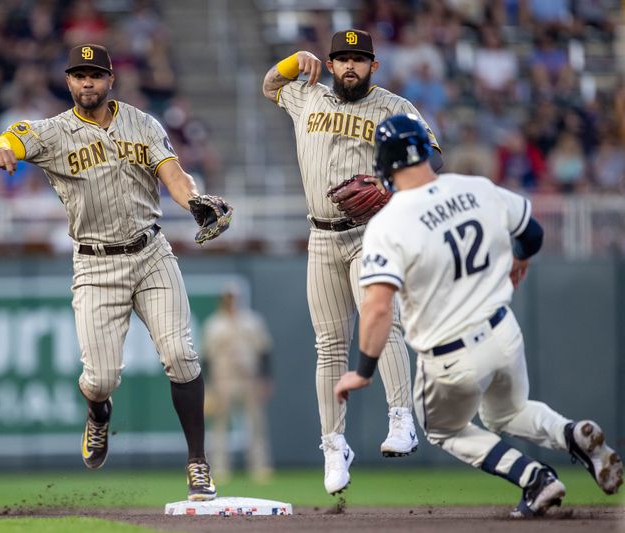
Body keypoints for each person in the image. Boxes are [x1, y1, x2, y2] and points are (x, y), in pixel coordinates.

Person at [334, 114, 623, 517]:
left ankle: (534, 478)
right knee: (507, 412)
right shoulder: (476, 187)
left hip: (449, 355)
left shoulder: (388, 224)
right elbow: (533, 233)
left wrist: (363, 370)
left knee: (443, 429)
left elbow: (379, 306)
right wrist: (521, 258)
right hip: (503, 332)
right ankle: (571, 433)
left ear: (383, 166)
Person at [0, 43, 233, 501]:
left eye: (94, 75)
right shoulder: (54, 133)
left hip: (151, 251)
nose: (87, 83)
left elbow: (173, 172)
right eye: (79, 75)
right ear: (68, 82)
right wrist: (0, 150)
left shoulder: (142, 122)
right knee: (99, 379)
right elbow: (7, 139)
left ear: (110, 79)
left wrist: (193, 199)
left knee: (180, 354)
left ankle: (198, 462)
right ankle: (98, 414)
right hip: (96, 265)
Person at [261, 29, 444, 495]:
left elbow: (432, 158)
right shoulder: (308, 97)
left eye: (358, 60)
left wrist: (393, 187)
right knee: (329, 346)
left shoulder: (393, 107)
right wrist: (290, 62)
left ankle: (401, 417)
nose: (348, 67)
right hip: (320, 237)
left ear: (373, 66)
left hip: (372, 233)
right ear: (331, 62)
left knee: (383, 322)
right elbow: (269, 86)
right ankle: (334, 444)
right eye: (341, 59)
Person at [202, 286, 273, 483]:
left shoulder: (252, 321)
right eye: (227, 298)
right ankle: (219, 468)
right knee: (219, 427)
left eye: (233, 298)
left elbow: (264, 352)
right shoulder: (213, 324)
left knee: (256, 425)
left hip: (249, 379)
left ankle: (260, 467)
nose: (230, 301)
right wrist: (208, 387)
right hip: (222, 380)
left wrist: (265, 379)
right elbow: (206, 358)